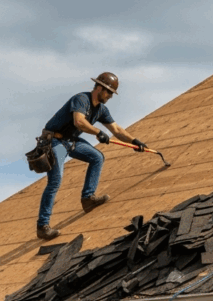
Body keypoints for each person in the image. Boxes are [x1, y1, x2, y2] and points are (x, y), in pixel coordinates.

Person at [35, 73, 149, 240]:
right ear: (99, 88)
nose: (110, 96)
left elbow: (116, 130)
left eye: (111, 93)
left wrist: (135, 142)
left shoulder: (101, 109)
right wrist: (98, 132)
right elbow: (79, 122)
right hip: (54, 141)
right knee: (55, 181)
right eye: (108, 92)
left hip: (71, 140)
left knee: (97, 157)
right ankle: (42, 226)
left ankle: (88, 198)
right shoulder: (81, 99)